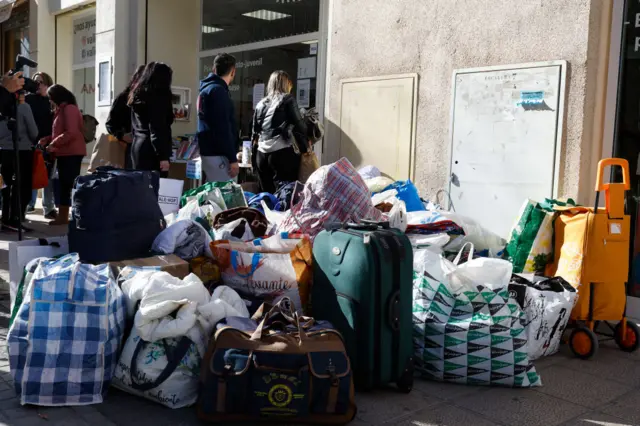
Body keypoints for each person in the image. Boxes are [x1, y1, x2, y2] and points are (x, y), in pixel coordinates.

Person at [251, 70, 308, 194]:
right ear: (286, 84)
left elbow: (254, 133)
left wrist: (253, 158)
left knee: (266, 196)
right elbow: (301, 127)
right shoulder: (287, 99)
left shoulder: (260, 104)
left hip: (261, 154)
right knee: (285, 195)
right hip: (281, 153)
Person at [38, 84, 86, 226]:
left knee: (68, 184)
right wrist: (47, 139)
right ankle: (64, 216)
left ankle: (68, 216)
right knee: (65, 185)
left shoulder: (68, 109)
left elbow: (71, 132)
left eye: (50, 97)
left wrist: (54, 144)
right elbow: (61, 132)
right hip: (66, 152)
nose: (49, 101)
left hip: (71, 152)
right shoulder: (62, 109)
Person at [197, 53, 240, 182]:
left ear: (214, 69)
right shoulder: (219, 91)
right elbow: (223, 127)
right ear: (233, 71)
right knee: (225, 197)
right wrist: (232, 158)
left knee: (212, 194)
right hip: (219, 155)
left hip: (208, 151)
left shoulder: (205, 90)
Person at [0, 92, 38, 232]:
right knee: (21, 185)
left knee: (5, 185)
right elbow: (33, 131)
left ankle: (5, 217)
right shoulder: (23, 108)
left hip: (3, 150)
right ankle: (16, 217)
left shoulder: (2, 107)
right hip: (21, 150)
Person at [128, 62, 174, 176]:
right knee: (157, 189)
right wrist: (163, 156)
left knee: (141, 187)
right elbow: (157, 128)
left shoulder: (138, 95)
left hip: (137, 147)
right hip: (152, 151)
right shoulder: (159, 97)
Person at [25, 71, 56, 218]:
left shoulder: (52, 100)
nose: (38, 85)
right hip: (30, 141)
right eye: (35, 82)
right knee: (31, 173)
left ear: (48, 84)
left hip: (48, 141)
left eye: (41, 82)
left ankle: (48, 207)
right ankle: (29, 204)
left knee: (47, 175)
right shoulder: (29, 99)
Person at [106, 65, 145, 169]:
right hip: (129, 147)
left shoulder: (152, 98)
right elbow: (110, 123)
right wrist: (121, 135)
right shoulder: (124, 98)